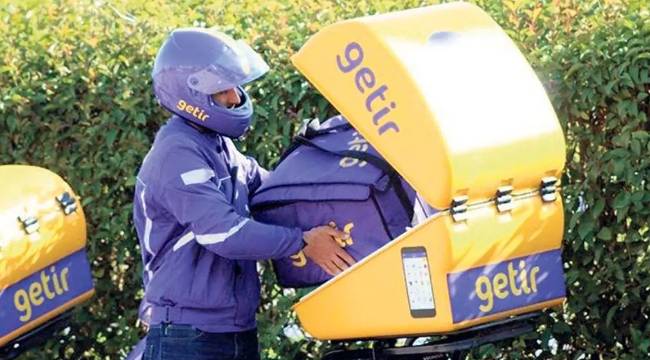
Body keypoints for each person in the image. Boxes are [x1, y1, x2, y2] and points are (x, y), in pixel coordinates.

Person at [133, 28, 355, 360]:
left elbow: (274, 191)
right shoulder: (177, 154)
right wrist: (303, 240)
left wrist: (342, 175)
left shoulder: (219, 146)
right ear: (189, 94)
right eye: (223, 90)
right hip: (188, 338)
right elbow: (224, 233)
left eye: (235, 87)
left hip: (233, 331)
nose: (236, 98)